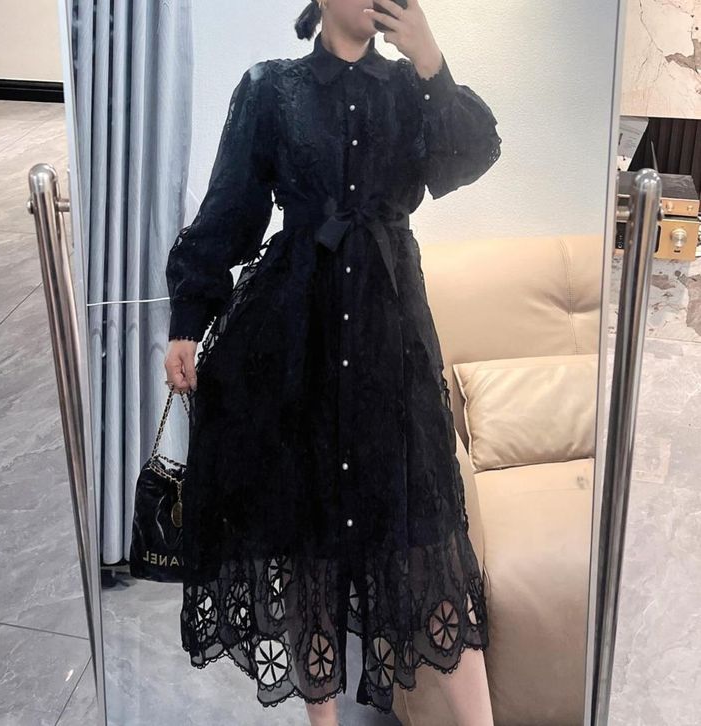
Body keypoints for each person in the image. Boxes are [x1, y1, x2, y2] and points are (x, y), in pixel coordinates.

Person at [164, 0, 501, 723]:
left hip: (391, 348)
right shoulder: (271, 89)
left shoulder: (411, 90)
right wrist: (189, 321)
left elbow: (473, 153)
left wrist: (430, 58)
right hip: (297, 346)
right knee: (308, 545)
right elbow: (231, 209)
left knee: (428, 542)